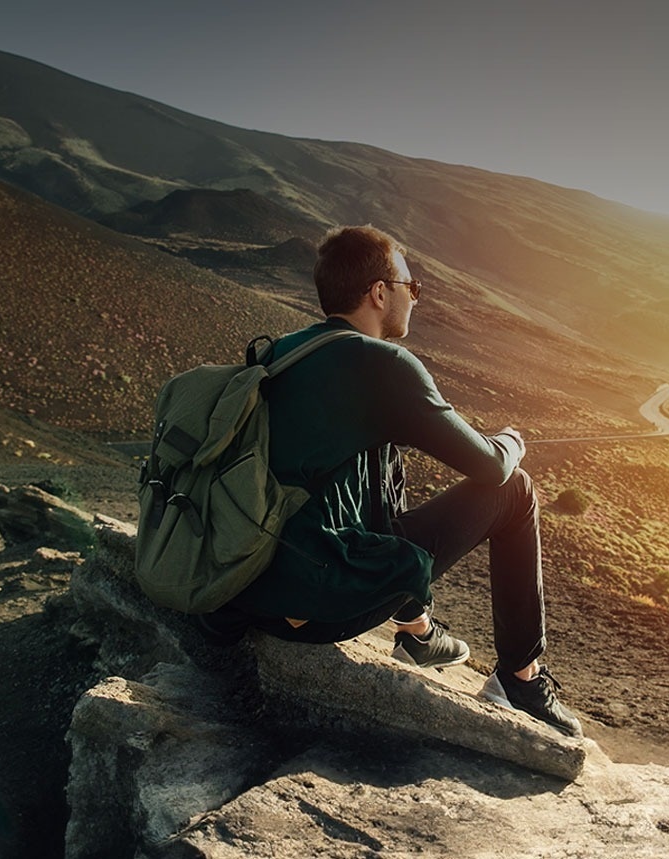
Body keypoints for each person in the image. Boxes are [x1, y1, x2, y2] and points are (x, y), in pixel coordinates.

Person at [202, 224, 580, 737]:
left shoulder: (281, 351)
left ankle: (415, 629)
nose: (415, 299)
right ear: (380, 293)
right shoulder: (382, 364)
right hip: (308, 606)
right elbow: (490, 467)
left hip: (239, 590)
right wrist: (512, 440)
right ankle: (520, 677)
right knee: (515, 490)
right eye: (412, 288)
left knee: (379, 455)